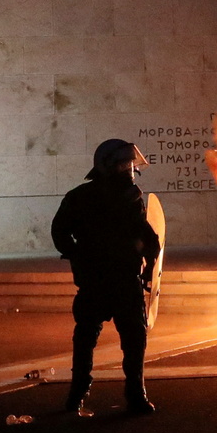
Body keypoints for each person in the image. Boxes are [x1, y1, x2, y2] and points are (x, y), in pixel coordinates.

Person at [51, 139, 162, 416]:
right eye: (124, 164)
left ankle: (82, 395)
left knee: (102, 337)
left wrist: (77, 254)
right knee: (119, 338)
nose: (129, 169)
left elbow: (60, 233)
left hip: (105, 278)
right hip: (112, 278)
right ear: (108, 165)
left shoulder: (90, 196)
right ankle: (124, 396)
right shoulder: (121, 197)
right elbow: (60, 232)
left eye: (130, 164)